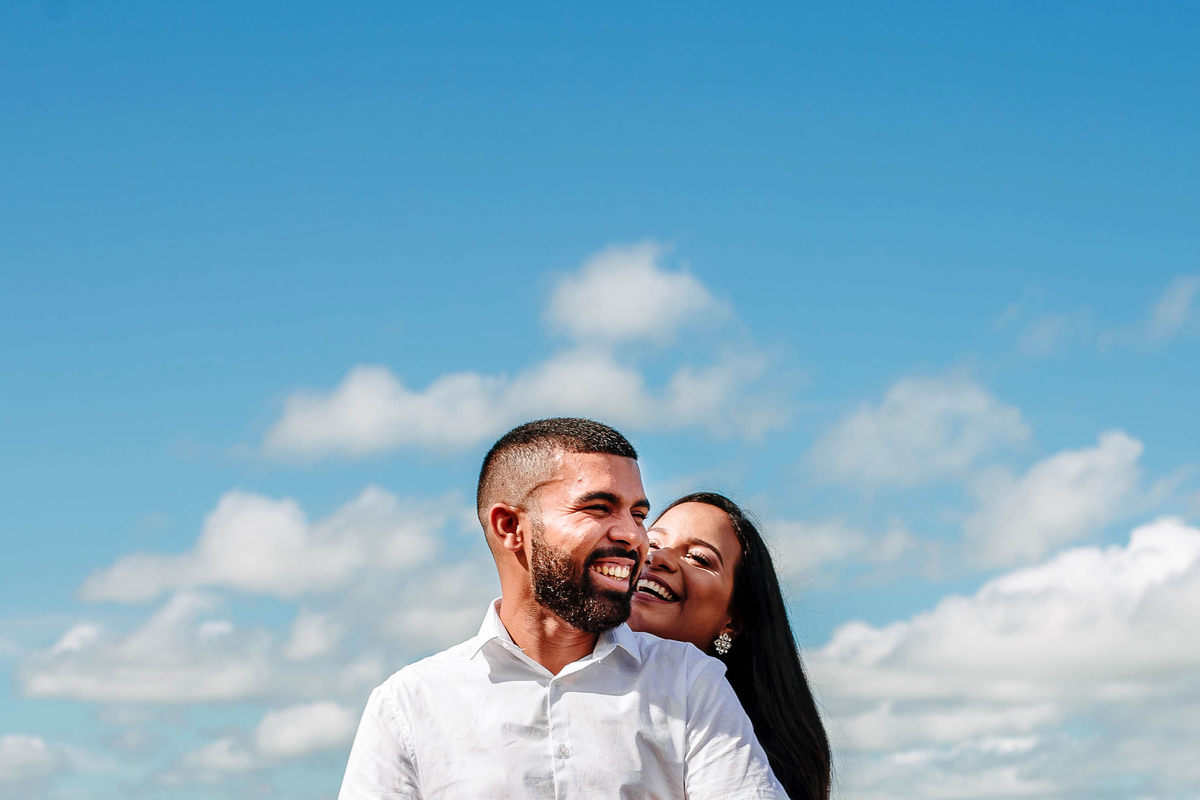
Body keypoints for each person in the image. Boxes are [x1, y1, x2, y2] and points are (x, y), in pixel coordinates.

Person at [338, 418, 788, 799]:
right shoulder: (408, 705)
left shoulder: (691, 683)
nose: (635, 536)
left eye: (637, 513)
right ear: (511, 526)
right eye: (598, 507)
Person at [630, 492, 832, 800]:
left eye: (698, 557)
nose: (657, 557)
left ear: (732, 621)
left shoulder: (732, 740)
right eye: (653, 543)